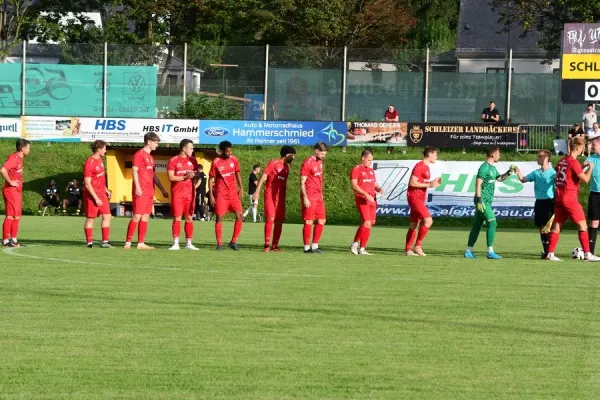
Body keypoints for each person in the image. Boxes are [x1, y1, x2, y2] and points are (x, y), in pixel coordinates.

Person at [546, 137, 600, 261]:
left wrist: (581, 166)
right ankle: (587, 254)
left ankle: (550, 254)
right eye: (582, 148)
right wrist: (590, 167)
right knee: (583, 226)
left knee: (557, 226)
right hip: (569, 197)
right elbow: (586, 179)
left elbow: (567, 174)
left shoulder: (562, 160)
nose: (583, 150)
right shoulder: (573, 162)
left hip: (559, 196)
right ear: (577, 147)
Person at [464, 146, 516, 259]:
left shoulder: (493, 168)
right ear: (492, 154)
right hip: (482, 200)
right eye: (498, 153)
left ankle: (468, 250)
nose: (499, 155)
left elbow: (500, 179)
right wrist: (478, 200)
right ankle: (490, 251)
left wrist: (510, 172)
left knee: (477, 226)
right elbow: (478, 183)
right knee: (493, 223)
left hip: (487, 200)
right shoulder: (484, 167)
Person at [124, 132, 169, 250]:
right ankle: (128, 242)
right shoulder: (139, 154)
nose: (157, 145)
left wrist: (162, 189)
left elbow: (154, 176)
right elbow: (134, 171)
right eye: (156, 142)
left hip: (150, 191)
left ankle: (140, 243)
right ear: (149, 142)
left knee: (145, 216)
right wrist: (138, 187)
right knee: (137, 215)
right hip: (141, 190)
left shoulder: (150, 157)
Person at [253, 146, 296, 252]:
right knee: (270, 219)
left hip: (280, 198)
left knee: (279, 221)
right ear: (287, 155)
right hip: (270, 196)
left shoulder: (286, 168)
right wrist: (257, 192)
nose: (294, 158)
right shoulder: (273, 163)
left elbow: (283, 185)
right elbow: (263, 177)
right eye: (292, 155)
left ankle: (275, 245)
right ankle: (267, 245)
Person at [515, 150, 556, 259]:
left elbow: (558, 187)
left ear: (546, 158)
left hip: (549, 202)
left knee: (547, 228)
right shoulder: (536, 172)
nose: (537, 158)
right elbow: (523, 180)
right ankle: (546, 251)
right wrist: (518, 172)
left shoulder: (553, 173)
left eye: (539, 157)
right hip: (539, 202)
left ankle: (549, 252)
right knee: (541, 227)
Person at [405, 146, 442, 256]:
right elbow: (412, 183)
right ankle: (418, 246)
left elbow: (421, 182)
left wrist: (432, 182)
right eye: (435, 154)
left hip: (419, 198)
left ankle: (408, 250)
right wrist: (430, 184)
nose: (436, 157)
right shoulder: (420, 166)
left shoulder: (426, 167)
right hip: (415, 198)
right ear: (429, 154)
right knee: (428, 221)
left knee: (414, 224)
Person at [209, 140, 244, 251]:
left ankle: (233, 242)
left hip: (233, 193)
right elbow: (211, 179)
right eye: (227, 151)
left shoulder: (234, 160)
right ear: (222, 151)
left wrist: (241, 188)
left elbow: (237, 173)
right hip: (221, 194)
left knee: (240, 216)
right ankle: (219, 244)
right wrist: (211, 194)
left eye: (230, 151)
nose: (229, 153)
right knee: (219, 217)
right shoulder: (216, 162)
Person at [167, 139, 200, 251]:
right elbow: (171, 177)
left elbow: (197, 175)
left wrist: (194, 175)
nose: (192, 150)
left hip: (190, 193)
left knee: (189, 217)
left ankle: (188, 243)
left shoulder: (193, 161)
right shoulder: (173, 160)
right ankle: (176, 243)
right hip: (177, 193)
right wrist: (185, 177)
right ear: (184, 148)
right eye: (191, 148)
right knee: (177, 217)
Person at [350, 149, 383, 256]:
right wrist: (366, 194)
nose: (370, 162)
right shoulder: (357, 169)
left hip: (372, 200)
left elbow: (374, 183)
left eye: (371, 160)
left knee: (369, 224)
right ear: (363, 158)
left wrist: (379, 189)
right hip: (362, 199)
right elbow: (354, 185)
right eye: (369, 160)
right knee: (366, 222)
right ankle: (354, 244)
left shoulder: (371, 170)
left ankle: (362, 248)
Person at [82, 140, 113, 248]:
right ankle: (89, 243)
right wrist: (95, 198)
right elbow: (87, 183)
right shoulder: (89, 163)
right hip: (92, 195)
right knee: (91, 218)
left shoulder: (100, 160)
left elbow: (99, 178)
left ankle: (105, 242)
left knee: (107, 216)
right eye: (104, 148)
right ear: (99, 149)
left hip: (102, 194)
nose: (105, 151)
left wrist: (105, 190)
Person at [1, 139, 31, 247]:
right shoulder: (14, 158)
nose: (29, 150)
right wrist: (10, 181)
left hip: (16, 191)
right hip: (11, 191)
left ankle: (13, 240)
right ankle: (5, 241)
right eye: (28, 148)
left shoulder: (19, 159)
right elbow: (3, 169)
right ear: (23, 149)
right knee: (10, 216)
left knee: (17, 216)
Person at [301, 142, 328, 253]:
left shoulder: (320, 162)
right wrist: (305, 198)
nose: (324, 156)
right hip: (309, 195)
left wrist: (321, 192)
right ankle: (307, 247)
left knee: (322, 220)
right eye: (322, 153)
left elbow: (319, 179)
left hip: (318, 195)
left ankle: (315, 245)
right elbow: (302, 182)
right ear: (316, 151)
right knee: (309, 221)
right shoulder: (307, 163)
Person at [586, 137, 600, 255]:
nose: (592, 146)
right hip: (595, 195)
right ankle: (590, 252)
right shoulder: (590, 159)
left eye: (594, 144)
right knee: (594, 222)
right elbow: (580, 172)